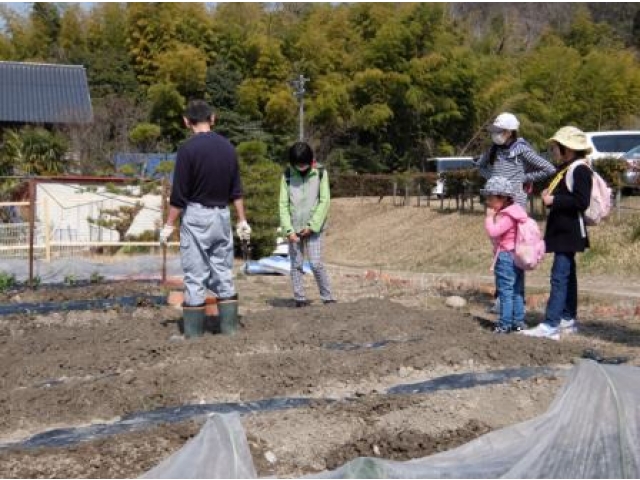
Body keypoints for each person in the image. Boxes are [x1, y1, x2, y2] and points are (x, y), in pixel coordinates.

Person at [159, 99, 251, 337]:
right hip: (222, 215)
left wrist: (168, 225)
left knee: (195, 274)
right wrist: (242, 220)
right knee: (223, 271)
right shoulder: (228, 148)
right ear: (213, 118)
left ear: (186, 122)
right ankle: (230, 328)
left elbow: (179, 196)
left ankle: (193, 333)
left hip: (197, 217)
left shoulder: (187, 150)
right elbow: (236, 190)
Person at [475, 112, 556, 313]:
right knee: (499, 250)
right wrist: (494, 180)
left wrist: (523, 178)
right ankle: (502, 297)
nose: (495, 135)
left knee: (513, 250)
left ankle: (511, 298)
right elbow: (481, 167)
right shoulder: (494, 149)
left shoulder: (521, 149)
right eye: (494, 131)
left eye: (499, 131)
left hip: (515, 206)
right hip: (498, 205)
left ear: (510, 132)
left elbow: (547, 168)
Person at [521, 126, 593, 340]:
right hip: (564, 230)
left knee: (559, 277)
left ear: (568, 149)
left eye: (556, 147)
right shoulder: (569, 168)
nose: (553, 151)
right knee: (568, 277)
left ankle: (551, 324)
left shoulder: (579, 169)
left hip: (569, 231)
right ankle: (567, 319)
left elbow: (581, 201)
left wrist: (554, 200)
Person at [279, 142, 336, 307]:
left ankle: (328, 297)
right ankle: (300, 299)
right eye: (298, 165)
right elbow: (283, 204)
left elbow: (324, 201)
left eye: (305, 164)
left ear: (311, 161)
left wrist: (312, 226)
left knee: (316, 263)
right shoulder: (287, 175)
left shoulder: (320, 173)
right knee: (296, 264)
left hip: (314, 228)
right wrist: (288, 230)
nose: (302, 168)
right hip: (293, 228)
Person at [481, 176, 528, 333]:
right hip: (518, 256)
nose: (488, 201)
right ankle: (518, 322)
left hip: (506, 256)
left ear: (502, 197)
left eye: (491, 197)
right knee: (517, 290)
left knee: (505, 291)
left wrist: (489, 218)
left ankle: (504, 324)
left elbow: (493, 232)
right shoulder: (517, 212)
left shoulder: (508, 216)